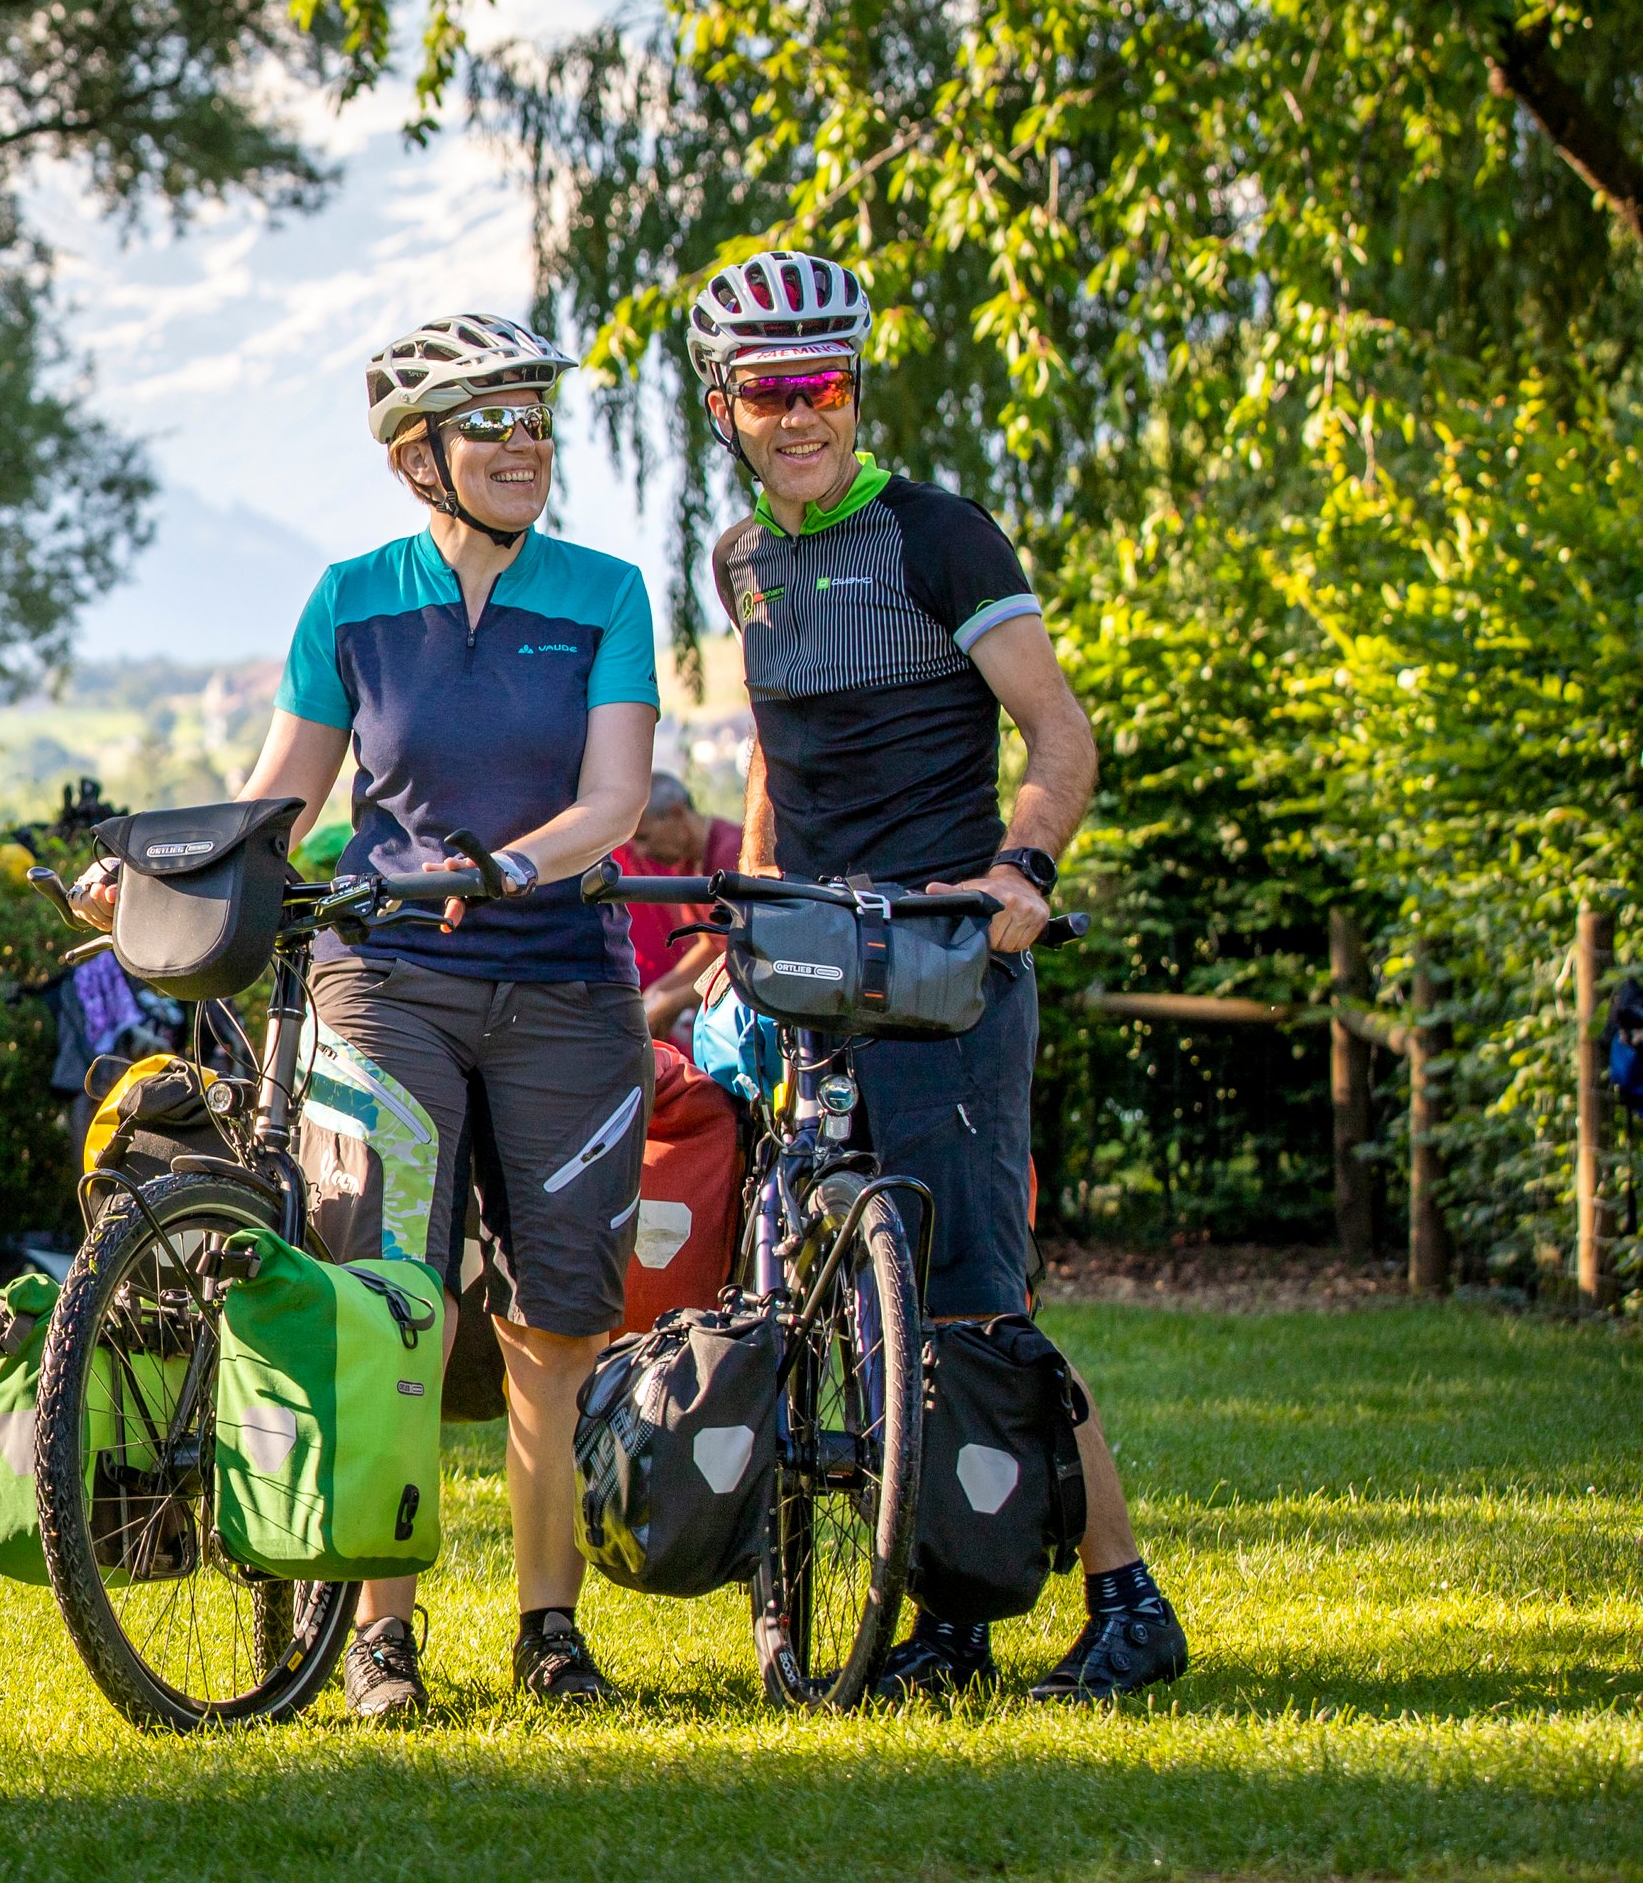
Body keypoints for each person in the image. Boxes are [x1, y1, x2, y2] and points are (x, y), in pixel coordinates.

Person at [87, 310, 659, 1718]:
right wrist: (155, 876)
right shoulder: (351, 600)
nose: (525, 443)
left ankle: (549, 1630)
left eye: (535, 418)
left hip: (566, 984)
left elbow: (615, 798)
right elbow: (277, 803)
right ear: (418, 457)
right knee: (387, 1298)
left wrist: (510, 865)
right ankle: (377, 1634)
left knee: (554, 1325)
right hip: (388, 974)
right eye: (491, 422)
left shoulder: (606, 592)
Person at [688, 247, 1186, 1703]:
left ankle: (1127, 1599)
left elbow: (1061, 733)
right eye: (770, 391)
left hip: (949, 967)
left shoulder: (941, 536)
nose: (801, 413)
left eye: (823, 383)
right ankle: (951, 1619)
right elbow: (775, 753)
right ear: (724, 407)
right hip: (815, 971)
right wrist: (743, 919)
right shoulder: (740, 558)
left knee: (973, 1306)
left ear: (857, 389)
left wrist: (1022, 870)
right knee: (864, 1306)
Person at [610, 770, 739, 1035]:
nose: (641, 852)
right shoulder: (688, 864)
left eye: (644, 838)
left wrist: (674, 1002)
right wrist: (657, 992)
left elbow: (746, 956)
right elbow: (711, 945)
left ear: (677, 813)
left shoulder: (733, 852)